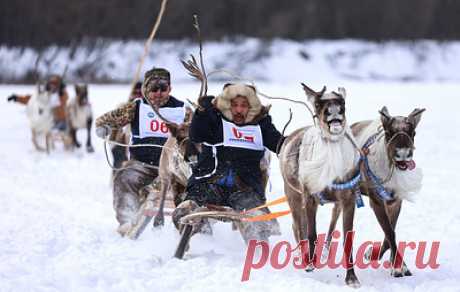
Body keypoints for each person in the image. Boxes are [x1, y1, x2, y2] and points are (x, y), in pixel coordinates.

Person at [172, 83, 285, 243]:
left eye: (244, 106)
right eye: (235, 105)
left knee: (259, 221)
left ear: (251, 106)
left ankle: (259, 254)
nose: (239, 110)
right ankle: (193, 244)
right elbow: (196, 135)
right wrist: (202, 112)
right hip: (208, 184)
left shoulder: (261, 125)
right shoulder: (215, 120)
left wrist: (298, 145)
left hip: (245, 189)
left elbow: (279, 144)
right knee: (187, 211)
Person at [95, 68, 189, 236]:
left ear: (170, 89)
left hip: (173, 169)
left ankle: (195, 228)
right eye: (153, 89)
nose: (158, 94)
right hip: (143, 165)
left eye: (163, 89)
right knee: (124, 178)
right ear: (146, 89)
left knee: (194, 189)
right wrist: (104, 127)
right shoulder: (136, 108)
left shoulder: (182, 110)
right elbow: (105, 119)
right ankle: (127, 220)